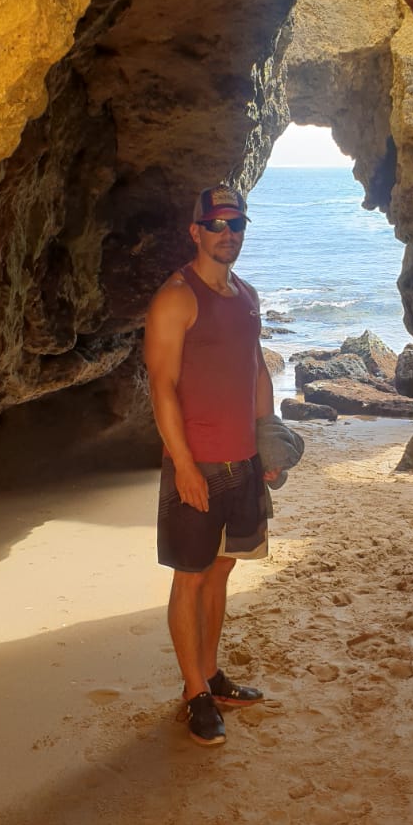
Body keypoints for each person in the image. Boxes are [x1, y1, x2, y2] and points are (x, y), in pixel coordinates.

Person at [143, 184, 280, 747]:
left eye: (236, 223)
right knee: (191, 576)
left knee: (222, 569)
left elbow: (257, 370)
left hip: (244, 462)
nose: (228, 233)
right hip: (197, 464)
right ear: (195, 231)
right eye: (217, 224)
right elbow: (161, 386)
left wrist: (269, 443)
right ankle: (195, 692)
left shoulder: (246, 295)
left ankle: (210, 674)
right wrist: (183, 465)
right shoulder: (177, 298)